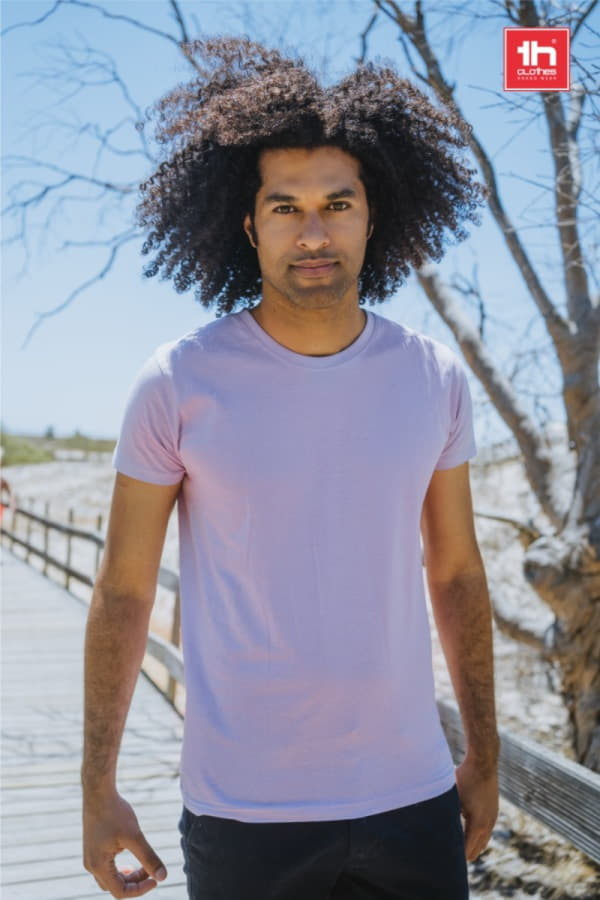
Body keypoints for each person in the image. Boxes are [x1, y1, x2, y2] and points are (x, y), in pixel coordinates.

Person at [82, 37, 499, 900]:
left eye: (337, 204)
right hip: (244, 811)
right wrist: (97, 786)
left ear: (373, 216)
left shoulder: (434, 377)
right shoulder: (178, 381)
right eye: (285, 207)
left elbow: (457, 572)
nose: (313, 233)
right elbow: (123, 589)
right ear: (248, 225)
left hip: (411, 797)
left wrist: (484, 757)